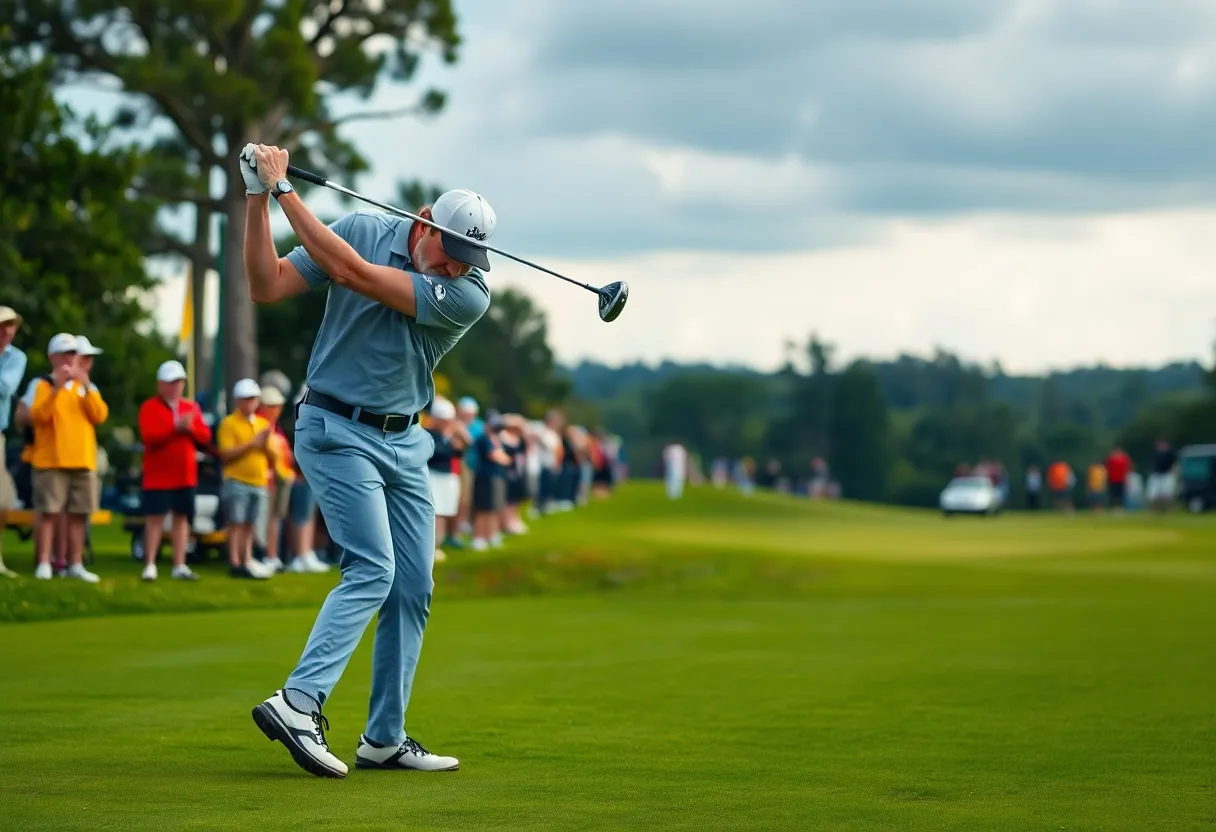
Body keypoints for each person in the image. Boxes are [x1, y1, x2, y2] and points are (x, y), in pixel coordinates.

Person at [241, 141, 494, 776]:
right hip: (334, 427)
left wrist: (282, 191)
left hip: (406, 443)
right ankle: (299, 702)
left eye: (470, 261)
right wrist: (254, 198)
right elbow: (266, 285)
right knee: (373, 568)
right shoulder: (358, 227)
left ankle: (383, 737)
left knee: (414, 585)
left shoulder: (469, 297)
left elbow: (354, 275)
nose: (458, 269)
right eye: (451, 254)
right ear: (424, 219)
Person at [29, 333, 108, 582]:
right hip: (52, 459)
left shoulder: (86, 388)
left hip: (82, 459)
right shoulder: (42, 385)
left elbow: (100, 415)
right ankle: (44, 561)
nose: (69, 359)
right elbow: (38, 416)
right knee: (49, 513)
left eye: (73, 354)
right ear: (53, 357)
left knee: (78, 514)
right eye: (64, 354)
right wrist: (56, 388)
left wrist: (85, 386)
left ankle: (75, 563)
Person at [137, 360, 212, 581]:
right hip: (158, 476)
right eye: (170, 383)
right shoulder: (149, 407)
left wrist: (190, 429)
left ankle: (179, 564)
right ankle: (150, 564)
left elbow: (205, 438)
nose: (175, 387)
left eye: (178, 382)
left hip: (184, 474)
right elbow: (149, 437)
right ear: (161, 384)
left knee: (181, 520)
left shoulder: (190, 407)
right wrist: (174, 429)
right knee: (155, 520)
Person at [217, 378, 275, 580]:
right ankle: (234, 562)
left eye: (253, 399)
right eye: (246, 399)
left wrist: (265, 444)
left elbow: (272, 456)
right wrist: (253, 443)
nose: (250, 403)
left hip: (258, 481)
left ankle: (246, 559)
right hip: (237, 480)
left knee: (250, 524)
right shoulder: (229, 423)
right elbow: (226, 454)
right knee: (236, 523)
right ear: (238, 401)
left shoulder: (262, 424)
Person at [424, 397, 470, 562]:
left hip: (447, 476)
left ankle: (438, 546)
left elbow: (460, 451)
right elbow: (435, 454)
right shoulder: (428, 434)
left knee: (442, 514)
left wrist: (456, 439)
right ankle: (430, 548)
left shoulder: (447, 436)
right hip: (433, 476)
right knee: (433, 514)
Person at [0, 306, 27, 577]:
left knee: (2, 501)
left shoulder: (16, 357)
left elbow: (5, 387)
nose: (7, 331)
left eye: (11, 326)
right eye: (2, 325)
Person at [258, 386, 296, 573]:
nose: (276, 410)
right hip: (265, 479)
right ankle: (265, 555)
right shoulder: (261, 425)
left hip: (281, 478)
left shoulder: (276, 427)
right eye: (273, 406)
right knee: (265, 519)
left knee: (275, 518)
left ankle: (272, 555)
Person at [470, 411, 511, 550]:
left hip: (496, 476)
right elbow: (495, 456)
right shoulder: (483, 439)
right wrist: (503, 458)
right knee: (484, 508)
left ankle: (491, 534)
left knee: (494, 507)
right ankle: (479, 537)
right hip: (485, 476)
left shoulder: (496, 439)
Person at [1146, 439, 1178, 514]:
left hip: (1166, 474)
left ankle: (1170, 510)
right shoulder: (1155, 454)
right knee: (1153, 494)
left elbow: (1174, 464)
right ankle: (1154, 511)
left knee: (1168, 494)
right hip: (1156, 475)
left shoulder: (1170, 454)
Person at [1104, 446, 1132, 513]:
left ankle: (1121, 507)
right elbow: (1107, 468)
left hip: (1121, 479)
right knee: (1114, 494)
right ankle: (1115, 507)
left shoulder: (1124, 459)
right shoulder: (1111, 459)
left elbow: (1127, 468)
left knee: (1121, 494)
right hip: (1113, 479)